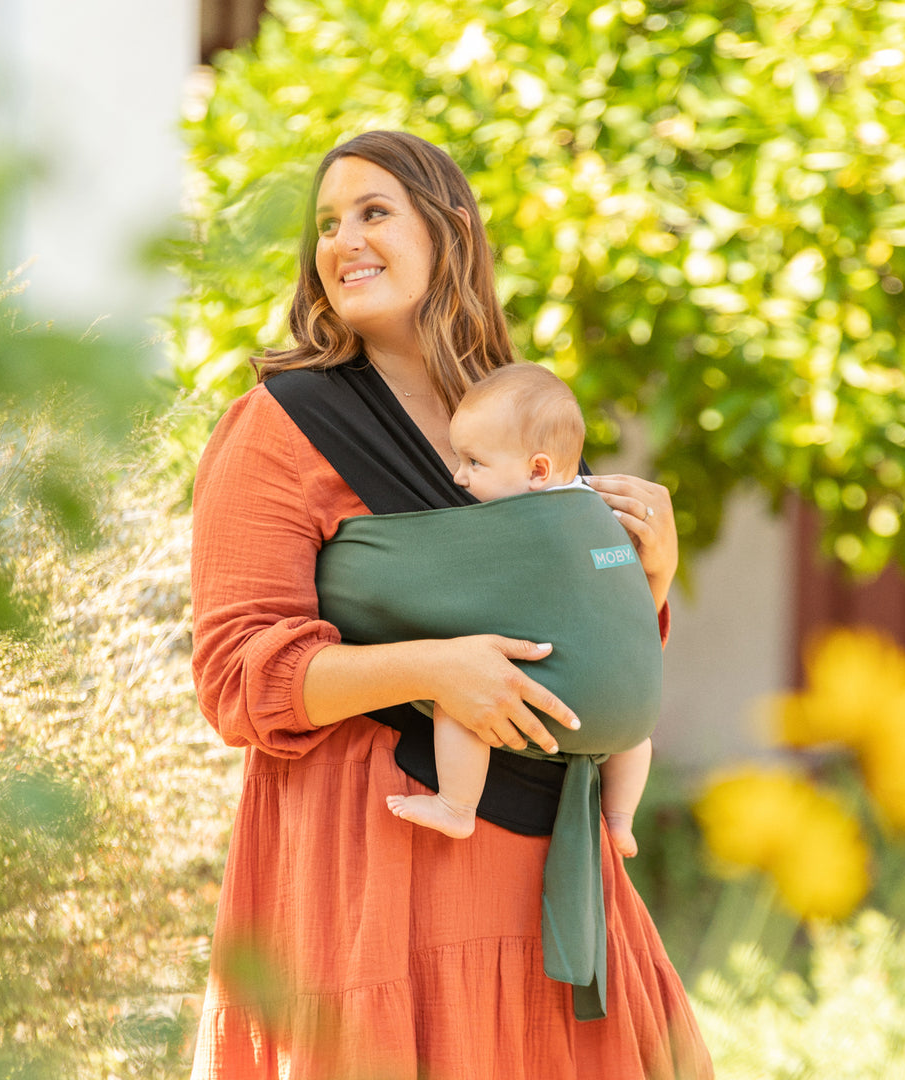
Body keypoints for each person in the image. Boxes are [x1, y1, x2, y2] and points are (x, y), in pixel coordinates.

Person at [189, 130, 713, 1079]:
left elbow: (594, 652)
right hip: (381, 868)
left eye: (374, 211)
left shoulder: (517, 416)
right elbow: (235, 677)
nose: (342, 239)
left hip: (553, 877)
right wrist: (436, 669)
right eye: (327, 223)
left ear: (451, 232)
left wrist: (652, 578)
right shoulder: (282, 426)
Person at [386, 362, 654, 854]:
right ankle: (618, 820)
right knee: (635, 736)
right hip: (628, 714)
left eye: (473, 462)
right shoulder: (600, 514)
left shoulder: (515, 526)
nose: (458, 476)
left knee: (457, 694)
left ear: (537, 471)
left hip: (555, 698)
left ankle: (456, 807)